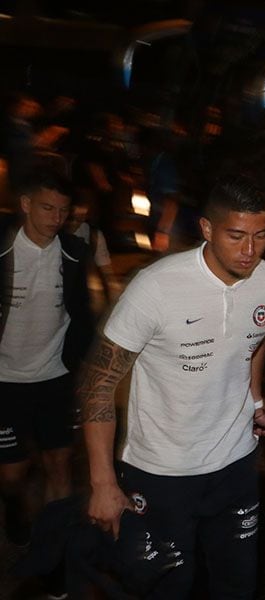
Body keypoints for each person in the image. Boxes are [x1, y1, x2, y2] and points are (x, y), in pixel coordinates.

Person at [77, 177, 265, 599]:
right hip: (162, 472)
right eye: (237, 236)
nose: (250, 251)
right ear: (207, 229)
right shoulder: (156, 287)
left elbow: (255, 339)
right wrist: (102, 483)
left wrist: (255, 399)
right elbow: (98, 384)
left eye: (261, 236)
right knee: (167, 587)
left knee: (238, 585)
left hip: (236, 466)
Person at [0, 169, 94, 547]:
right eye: (46, 207)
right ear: (25, 205)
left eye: (62, 210)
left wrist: (83, 361)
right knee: (11, 474)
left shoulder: (73, 252)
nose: (55, 218)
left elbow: (82, 312)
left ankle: (54, 541)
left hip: (55, 376)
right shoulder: (4, 248)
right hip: (5, 380)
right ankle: (14, 507)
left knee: (60, 463)